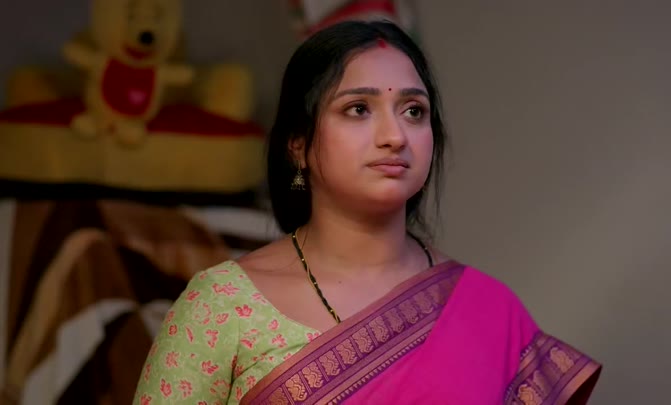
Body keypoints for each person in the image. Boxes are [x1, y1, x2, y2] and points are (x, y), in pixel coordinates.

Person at [133, 20, 601, 404]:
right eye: (359, 108)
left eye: (413, 111)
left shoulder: (489, 310)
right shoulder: (222, 306)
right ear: (298, 144)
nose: (395, 136)